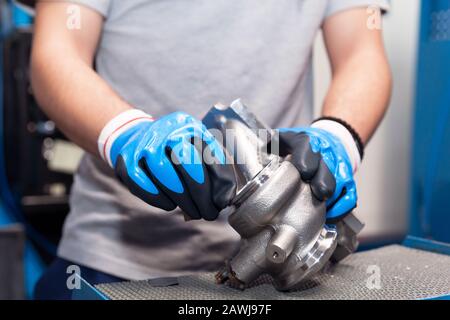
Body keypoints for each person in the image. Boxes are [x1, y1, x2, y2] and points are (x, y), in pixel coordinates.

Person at [22, 0, 391, 299]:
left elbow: (362, 50)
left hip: (283, 270)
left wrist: (338, 137)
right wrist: (125, 133)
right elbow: (57, 52)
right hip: (113, 258)